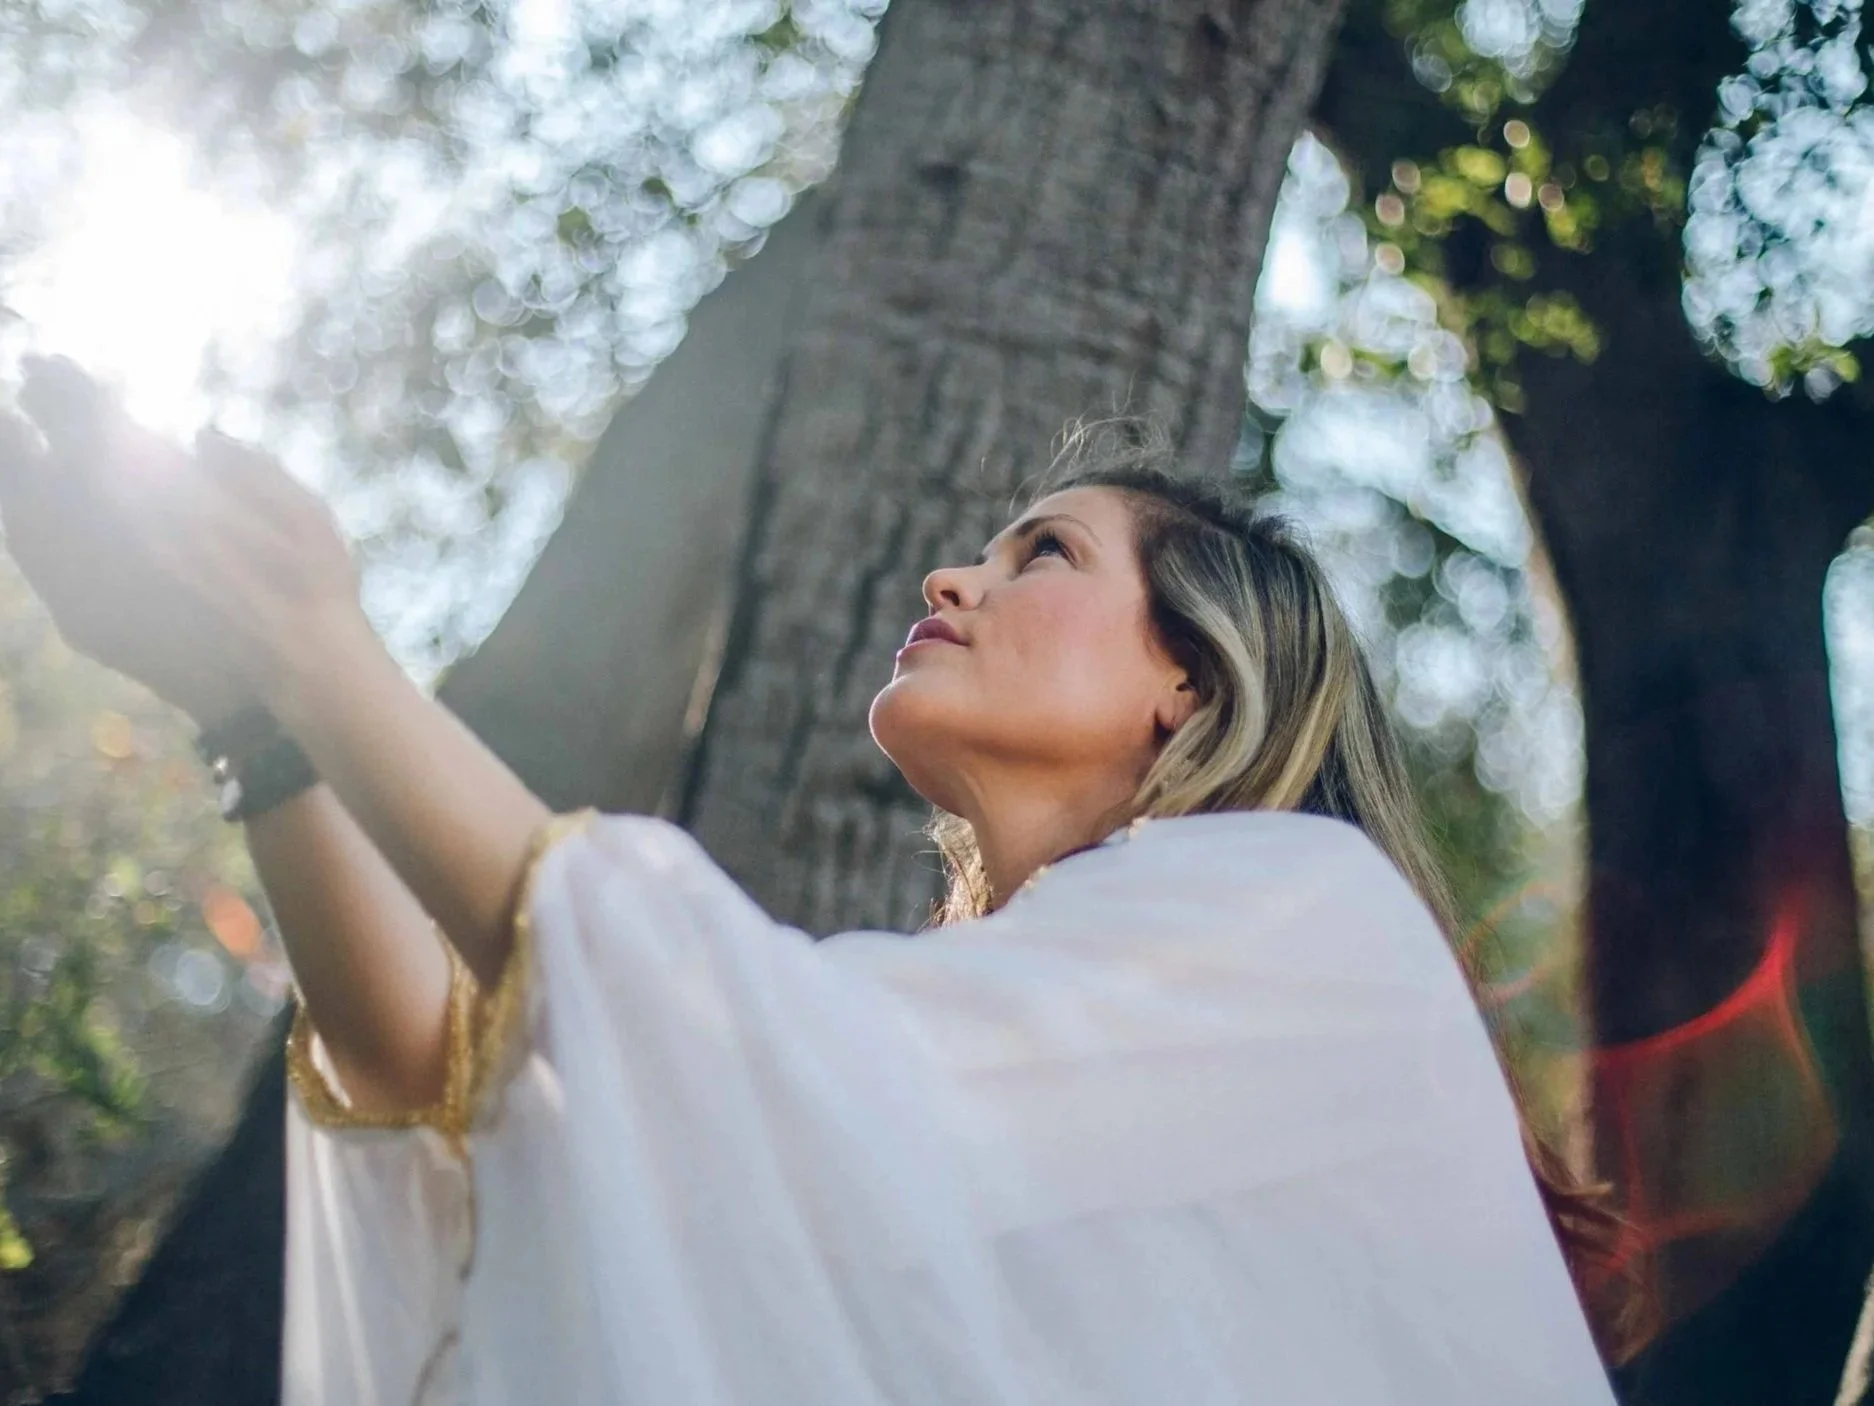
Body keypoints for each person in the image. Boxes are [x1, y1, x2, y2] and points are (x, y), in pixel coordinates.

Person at [0, 363, 1631, 1402]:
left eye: (1040, 553)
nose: (954, 573)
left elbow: (682, 1030)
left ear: (1189, 684)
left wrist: (314, 643)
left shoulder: (1312, 921)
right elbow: (465, 1098)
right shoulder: (941, 1034)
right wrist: (251, 719)